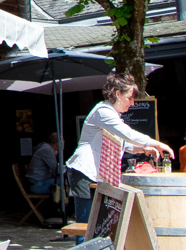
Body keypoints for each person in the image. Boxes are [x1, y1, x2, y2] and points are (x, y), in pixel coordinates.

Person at [66, 73, 175, 238]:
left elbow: (125, 144)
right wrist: (156, 143)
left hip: (95, 176)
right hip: (84, 172)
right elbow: (126, 134)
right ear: (117, 94)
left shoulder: (113, 115)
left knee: (97, 227)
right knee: (87, 227)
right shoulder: (103, 111)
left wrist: (144, 148)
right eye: (130, 98)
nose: (132, 103)